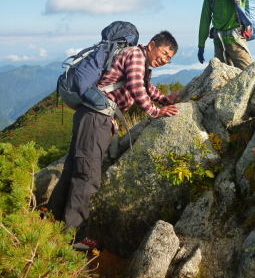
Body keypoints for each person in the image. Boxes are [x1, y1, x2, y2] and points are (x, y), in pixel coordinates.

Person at [48, 30, 179, 251]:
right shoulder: (137, 56)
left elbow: (145, 86)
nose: (164, 60)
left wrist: (165, 98)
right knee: (87, 176)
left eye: (169, 58)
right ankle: (75, 237)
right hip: (96, 119)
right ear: (153, 44)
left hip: (90, 116)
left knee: (74, 169)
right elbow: (138, 89)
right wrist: (156, 112)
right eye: (164, 53)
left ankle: (51, 221)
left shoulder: (138, 59)